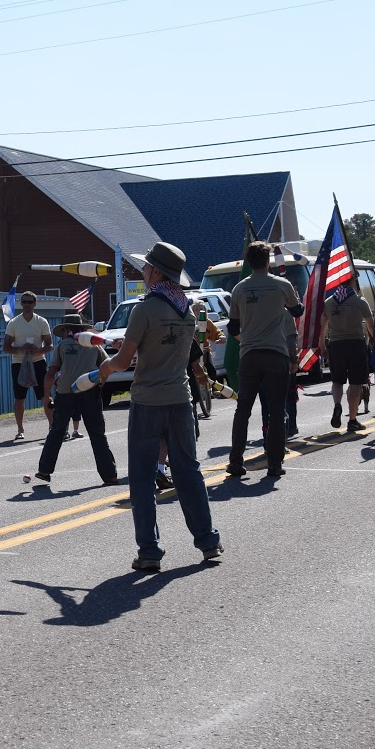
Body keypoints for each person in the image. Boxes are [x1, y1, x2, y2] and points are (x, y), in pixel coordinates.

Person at [96, 244, 221, 573]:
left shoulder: (145, 309)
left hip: (148, 401)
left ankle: (149, 551)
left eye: (146, 267)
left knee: (141, 477)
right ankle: (208, 541)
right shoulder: (187, 310)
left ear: (156, 272)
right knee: (188, 471)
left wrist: (103, 370)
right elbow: (163, 349)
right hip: (180, 400)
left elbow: (124, 362)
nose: (142, 272)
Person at [227, 242, 304, 479]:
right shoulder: (282, 285)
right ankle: (274, 463)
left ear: (249, 262)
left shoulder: (239, 289)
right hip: (275, 354)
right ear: (268, 260)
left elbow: (232, 326)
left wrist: (247, 339)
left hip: (249, 355)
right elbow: (297, 311)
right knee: (276, 410)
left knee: (243, 410)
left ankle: (236, 461)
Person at [33, 313, 118, 487]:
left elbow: (51, 373)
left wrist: (47, 395)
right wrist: (100, 384)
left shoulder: (62, 345)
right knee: (97, 433)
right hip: (89, 390)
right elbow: (107, 367)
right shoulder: (94, 345)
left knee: (57, 431)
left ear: (65, 329)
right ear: (81, 329)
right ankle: (109, 475)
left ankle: (44, 470)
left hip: (65, 392)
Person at [320, 282, 374, 433]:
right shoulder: (359, 301)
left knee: (337, 381)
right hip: (356, 343)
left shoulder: (329, 302)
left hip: (336, 344)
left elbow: (322, 326)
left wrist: (322, 346)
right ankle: (352, 419)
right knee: (356, 383)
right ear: (352, 283)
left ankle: (337, 404)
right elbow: (370, 324)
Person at [5, 291, 53, 440]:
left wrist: (38, 350)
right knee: (19, 397)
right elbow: (6, 347)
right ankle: (20, 429)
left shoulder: (41, 322)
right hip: (19, 363)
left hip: (38, 362)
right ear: (21, 304)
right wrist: (20, 349)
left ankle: (52, 426)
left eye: (29, 302)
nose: (27, 305)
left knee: (46, 396)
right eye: (24, 302)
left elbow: (49, 345)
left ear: (35, 304)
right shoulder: (13, 323)